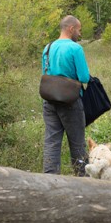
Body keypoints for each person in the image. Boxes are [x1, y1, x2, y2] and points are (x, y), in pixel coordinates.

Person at [41, 15, 90, 176]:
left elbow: (45, 74)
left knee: (51, 142)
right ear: (71, 29)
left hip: (49, 101)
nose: (80, 34)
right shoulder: (75, 49)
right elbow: (84, 77)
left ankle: (50, 177)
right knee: (77, 143)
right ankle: (81, 178)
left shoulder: (47, 48)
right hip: (71, 101)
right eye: (79, 30)